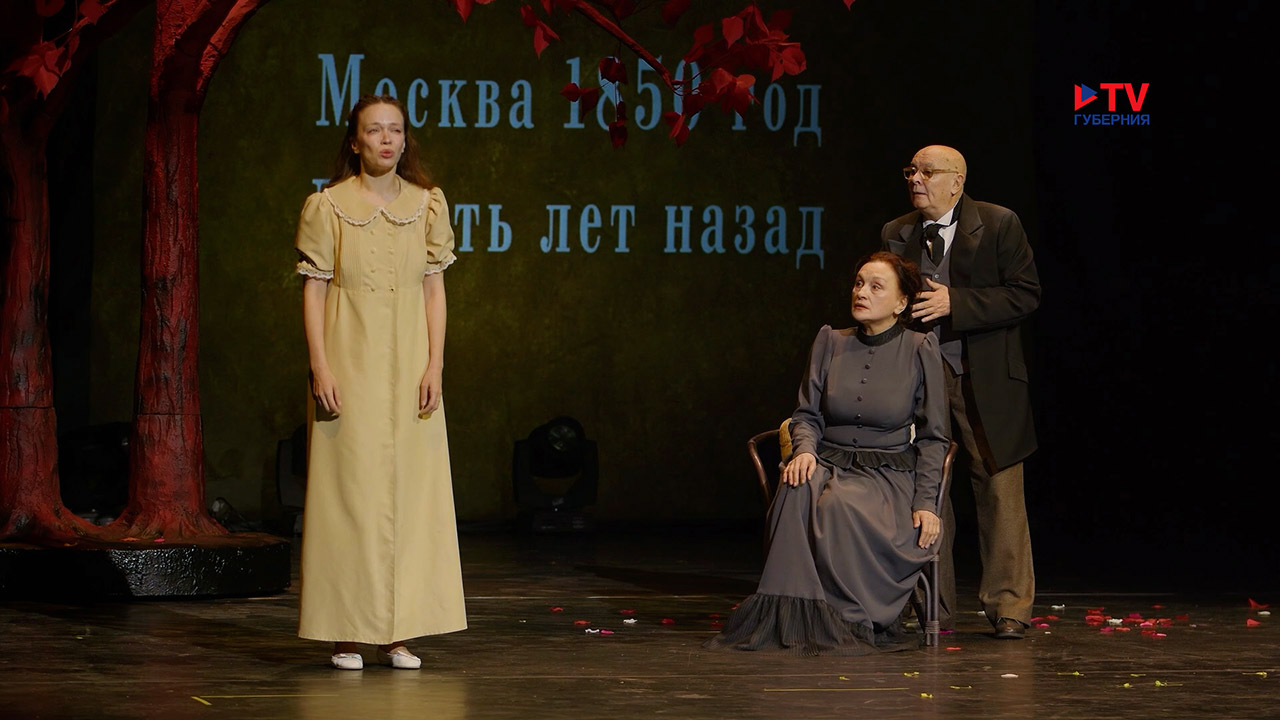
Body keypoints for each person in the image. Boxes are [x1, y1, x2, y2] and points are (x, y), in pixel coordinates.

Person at [294, 94, 466, 669]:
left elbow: (434, 289)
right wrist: (320, 365)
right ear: (355, 141)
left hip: (411, 366)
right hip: (350, 360)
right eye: (375, 130)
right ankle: (346, 630)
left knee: (411, 497)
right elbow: (314, 289)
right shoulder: (328, 206)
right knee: (350, 496)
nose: (387, 139)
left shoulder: (426, 204)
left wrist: (435, 364)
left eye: (395, 130)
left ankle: (399, 629)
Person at [706, 252, 949, 655]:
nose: (861, 293)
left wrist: (926, 502)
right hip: (828, 460)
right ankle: (791, 618)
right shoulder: (830, 341)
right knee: (795, 485)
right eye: (858, 283)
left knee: (837, 504)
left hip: (885, 474)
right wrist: (804, 451)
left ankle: (843, 619)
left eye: (876, 287)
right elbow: (807, 415)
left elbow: (933, 437)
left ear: (901, 302)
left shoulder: (919, 348)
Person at [882, 145, 1041, 639]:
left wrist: (958, 302)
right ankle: (931, 605)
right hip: (920, 380)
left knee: (999, 487)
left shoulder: (998, 223)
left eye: (927, 171)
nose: (915, 179)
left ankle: (1009, 606)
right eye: (911, 170)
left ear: (957, 181)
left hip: (983, 377)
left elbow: (1025, 294)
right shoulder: (896, 232)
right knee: (926, 489)